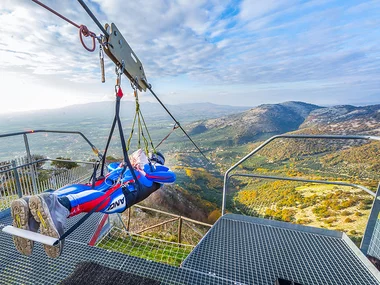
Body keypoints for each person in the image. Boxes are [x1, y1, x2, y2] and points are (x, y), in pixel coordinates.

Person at [10, 150, 175, 258]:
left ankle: (48, 208)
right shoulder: (137, 168)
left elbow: (169, 176)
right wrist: (127, 162)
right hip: (113, 187)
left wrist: (144, 164)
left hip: (123, 190)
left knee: (94, 195)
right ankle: (47, 207)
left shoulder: (156, 174)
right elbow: (111, 166)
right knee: (88, 193)